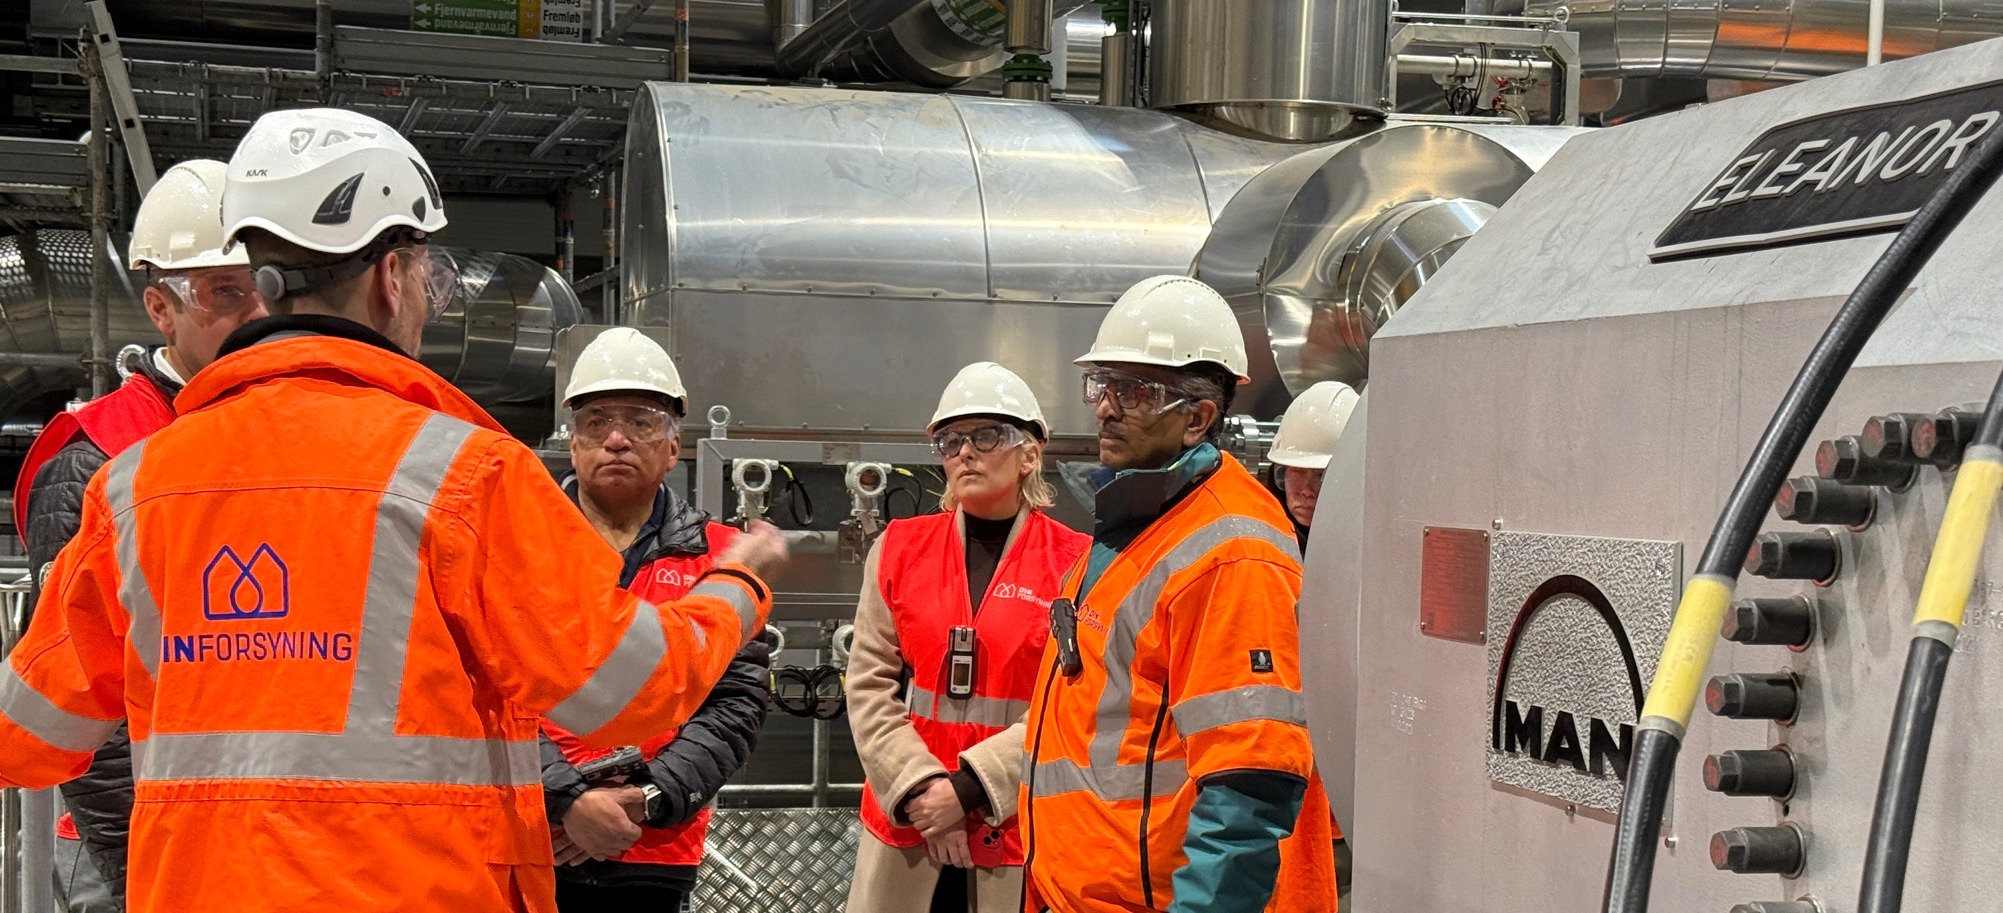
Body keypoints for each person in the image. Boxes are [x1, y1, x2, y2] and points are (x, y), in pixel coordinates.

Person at [0, 107, 786, 913]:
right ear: (389, 276)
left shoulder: (135, 488)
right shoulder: (464, 472)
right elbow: (624, 687)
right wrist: (735, 587)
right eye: (425, 271)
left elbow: (29, 732)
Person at [1018, 276, 1338, 913]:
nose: (1106, 407)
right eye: (1102, 385)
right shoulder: (1133, 526)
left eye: (1133, 391)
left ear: (1198, 417)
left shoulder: (1232, 554)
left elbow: (1248, 788)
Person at [8, 158, 269, 913]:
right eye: (222, 293)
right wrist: (143, 875)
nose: (252, 314)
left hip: (253, 837)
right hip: (129, 848)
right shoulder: (96, 453)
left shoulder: (272, 435)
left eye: (264, 288)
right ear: (160, 307)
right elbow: (86, 695)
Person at [540, 327, 771, 912]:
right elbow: (483, 692)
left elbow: (737, 700)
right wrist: (565, 800)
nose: (616, 438)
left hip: (655, 841)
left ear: (673, 446)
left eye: (641, 422)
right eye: (596, 421)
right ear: (572, 443)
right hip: (534, 834)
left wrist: (648, 797)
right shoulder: (521, 546)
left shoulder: (723, 557)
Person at [845, 362, 1088, 913]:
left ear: (1031, 454)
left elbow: (1070, 707)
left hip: (1014, 827)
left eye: (987, 436)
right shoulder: (899, 548)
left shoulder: (1074, 564)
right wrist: (922, 792)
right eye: (951, 440)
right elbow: (867, 686)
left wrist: (970, 792)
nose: (965, 452)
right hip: (909, 825)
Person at [1266, 381, 1360, 549]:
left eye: (1321, 476)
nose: (1307, 492)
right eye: (1298, 472)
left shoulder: (1367, 549)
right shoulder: (1264, 543)